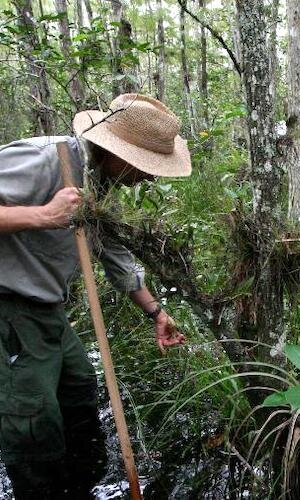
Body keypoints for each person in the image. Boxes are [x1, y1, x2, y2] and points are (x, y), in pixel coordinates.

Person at [0, 93, 191, 498]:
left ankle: (82, 485)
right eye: (143, 166)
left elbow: (113, 252)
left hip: (47, 308)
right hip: (8, 307)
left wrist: (155, 312)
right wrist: (42, 215)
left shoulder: (98, 182)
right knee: (34, 418)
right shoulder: (45, 160)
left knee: (79, 392)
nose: (149, 177)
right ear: (115, 151)